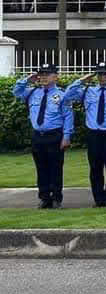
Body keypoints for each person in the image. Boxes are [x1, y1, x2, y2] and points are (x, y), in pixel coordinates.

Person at [63, 62, 106, 207]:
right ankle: (98, 199)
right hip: (94, 134)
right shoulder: (88, 91)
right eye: (99, 74)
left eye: (105, 73)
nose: (102, 77)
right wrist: (82, 80)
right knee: (95, 168)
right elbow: (67, 96)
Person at [14, 63, 73, 209]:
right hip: (38, 136)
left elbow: (68, 116)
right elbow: (16, 91)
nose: (44, 77)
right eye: (41, 74)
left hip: (55, 135)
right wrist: (27, 79)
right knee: (41, 168)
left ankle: (56, 198)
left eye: (47, 74)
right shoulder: (32, 92)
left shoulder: (62, 95)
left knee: (56, 168)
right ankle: (44, 198)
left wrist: (66, 136)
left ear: (56, 76)